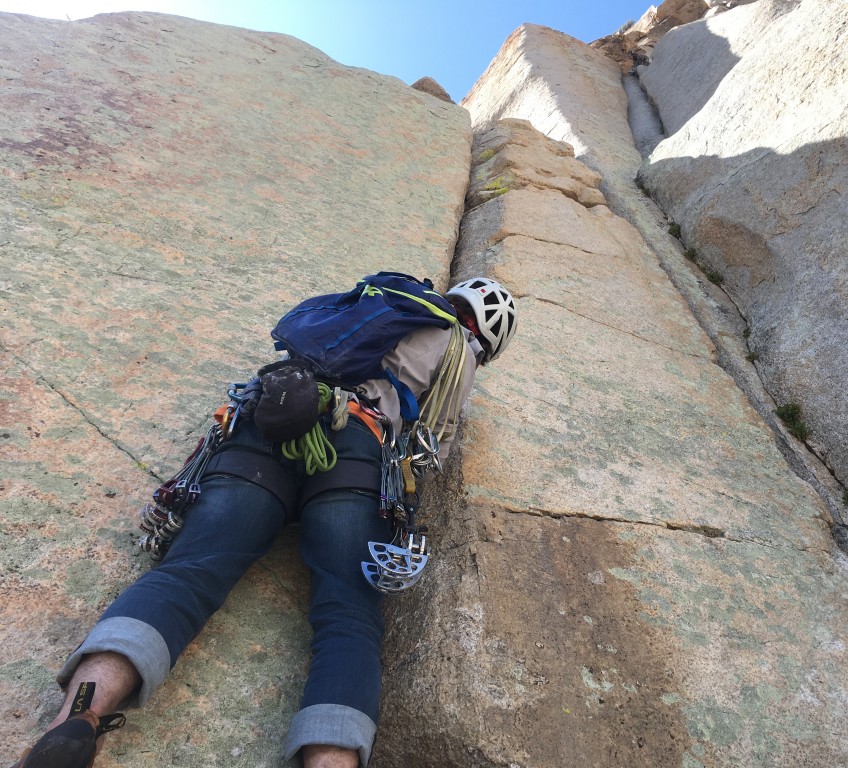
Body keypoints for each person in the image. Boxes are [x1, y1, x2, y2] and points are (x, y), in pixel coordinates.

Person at [10, 276, 519, 768]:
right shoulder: (457, 346)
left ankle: (77, 716)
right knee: (349, 615)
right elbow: (432, 444)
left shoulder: (385, 302)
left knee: (186, 573)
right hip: (357, 449)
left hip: (273, 418)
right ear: (485, 339)